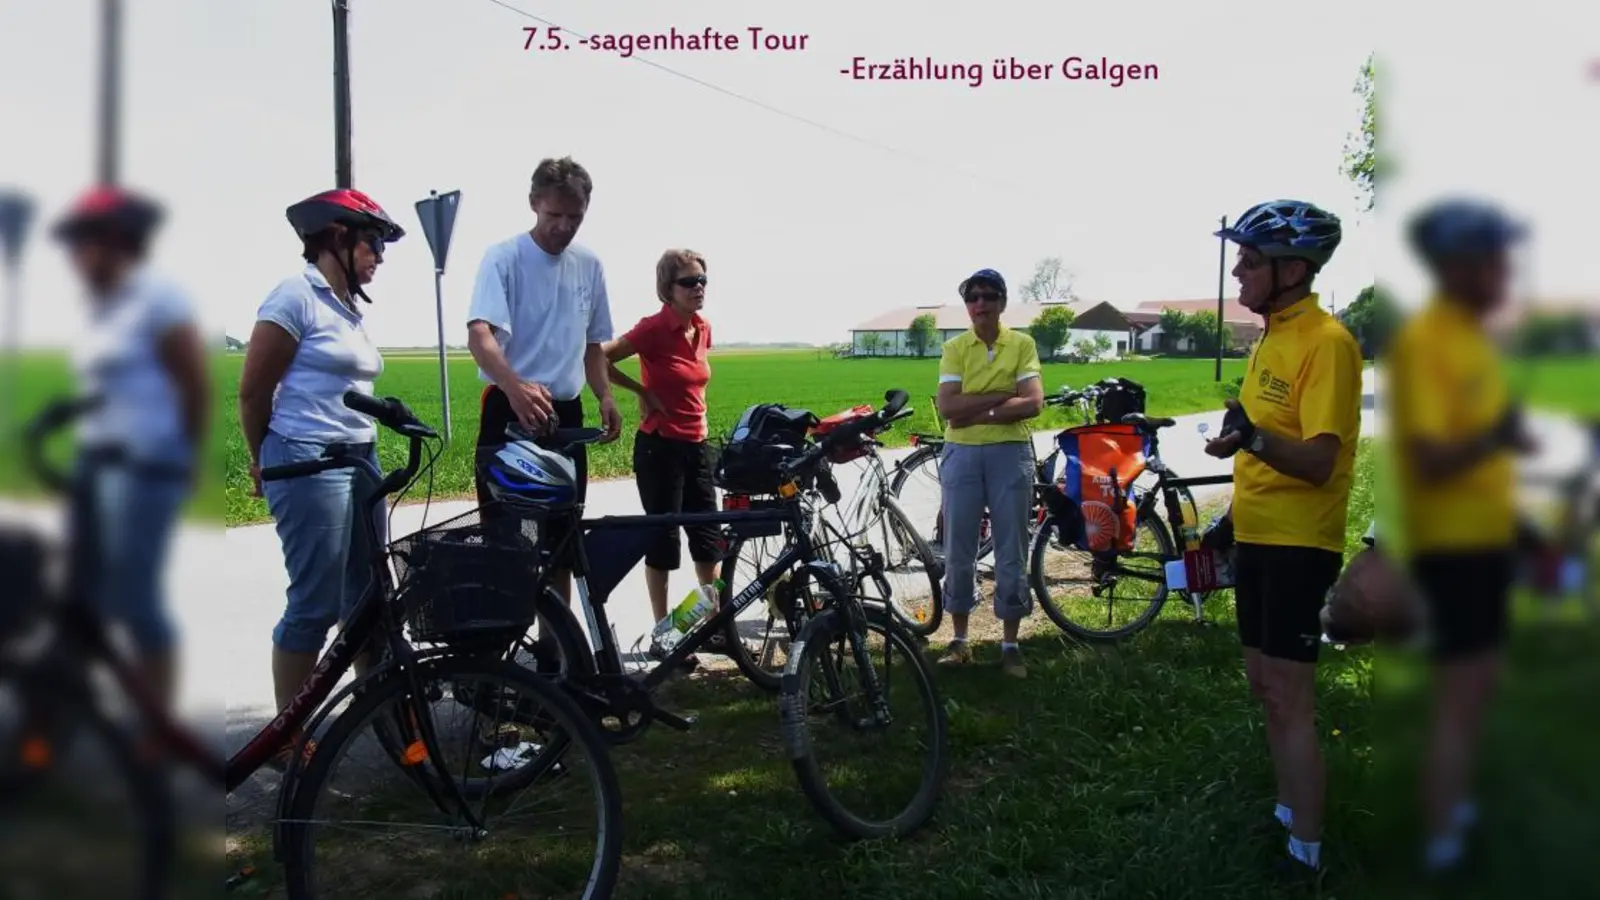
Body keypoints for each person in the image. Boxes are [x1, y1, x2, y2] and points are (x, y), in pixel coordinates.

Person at [1204, 199, 1362, 878]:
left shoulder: (1327, 343)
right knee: (1264, 683)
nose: (1237, 273)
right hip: (1261, 533)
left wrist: (1256, 438)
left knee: (1291, 697)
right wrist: (1228, 523)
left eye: (1250, 261)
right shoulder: (1273, 334)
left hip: (1302, 542)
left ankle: (1308, 851)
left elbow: (1320, 459)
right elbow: (1262, 442)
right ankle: (1289, 808)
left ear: (1292, 269)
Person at [1388, 198, 1535, 874]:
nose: (1507, 269)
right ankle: (1443, 835)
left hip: (1489, 539)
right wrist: (1496, 436)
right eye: (1495, 257)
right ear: (1458, 266)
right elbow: (1426, 459)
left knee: (1479, 684)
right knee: (1461, 691)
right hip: (1454, 547)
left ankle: (1455, 802)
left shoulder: (1475, 336)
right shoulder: (1428, 342)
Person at [237, 188, 405, 763]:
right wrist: (265, 461)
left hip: (360, 456)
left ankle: (384, 716)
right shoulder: (295, 296)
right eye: (374, 243)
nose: (380, 256)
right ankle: (285, 739)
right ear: (337, 236)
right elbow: (254, 391)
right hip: (308, 457)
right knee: (315, 603)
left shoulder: (347, 305)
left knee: (369, 598)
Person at [52, 185, 209, 716]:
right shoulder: (103, 306)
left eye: (82, 243)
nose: (74, 257)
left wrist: (181, 459)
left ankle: (155, 727)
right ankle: (61, 717)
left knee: (136, 603)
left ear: (118, 242)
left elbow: (193, 383)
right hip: (96, 465)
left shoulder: (158, 299)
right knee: (80, 597)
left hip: (146, 469)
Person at [467, 156, 623, 612]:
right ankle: (504, 661)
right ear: (534, 203)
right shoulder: (504, 257)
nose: (563, 227)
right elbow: (480, 336)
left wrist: (606, 395)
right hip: (509, 409)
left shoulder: (588, 264)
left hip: (565, 416)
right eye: (554, 215)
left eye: (574, 217)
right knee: (506, 542)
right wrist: (514, 386)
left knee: (561, 544)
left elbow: (594, 344)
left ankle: (555, 660)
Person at [601, 249, 725, 665]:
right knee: (663, 544)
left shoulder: (703, 328)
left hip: (697, 445)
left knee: (708, 544)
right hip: (660, 448)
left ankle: (708, 625)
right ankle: (665, 637)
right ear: (667, 289)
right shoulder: (654, 328)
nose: (699, 288)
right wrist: (641, 392)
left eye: (703, 280)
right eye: (689, 282)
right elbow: (600, 358)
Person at [933, 268, 1043, 678]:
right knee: (958, 548)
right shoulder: (956, 348)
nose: (981, 304)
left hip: (1009, 453)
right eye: (973, 297)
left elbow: (1033, 402)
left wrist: (979, 406)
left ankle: (1010, 643)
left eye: (989, 296)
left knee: (1011, 548)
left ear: (1002, 302)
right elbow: (948, 408)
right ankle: (960, 640)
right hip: (962, 453)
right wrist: (1003, 395)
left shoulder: (1022, 344)